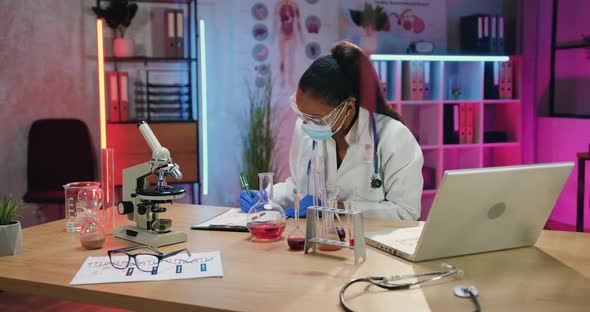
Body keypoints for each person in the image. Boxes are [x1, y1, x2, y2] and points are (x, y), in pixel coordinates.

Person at [241, 40, 423, 220]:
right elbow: (298, 186)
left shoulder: (394, 137)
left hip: (367, 245)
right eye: (301, 113)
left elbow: (405, 212)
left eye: (315, 118)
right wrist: (267, 196)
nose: (306, 123)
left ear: (348, 108)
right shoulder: (304, 129)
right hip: (316, 242)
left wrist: (337, 208)